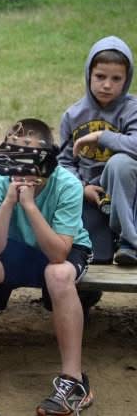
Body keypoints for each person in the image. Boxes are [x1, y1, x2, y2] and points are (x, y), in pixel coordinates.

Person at [0, 119, 94, 416]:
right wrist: (10, 201)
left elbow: (58, 253)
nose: (22, 168)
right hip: (16, 247)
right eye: (15, 157)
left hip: (62, 248)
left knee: (59, 274)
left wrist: (30, 206)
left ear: (46, 159)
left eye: (31, 158)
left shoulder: (67, 184)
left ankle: (74, 379)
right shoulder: (0, 182)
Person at [57, 36, 137, 265]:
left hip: (129, 192)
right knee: (96, 257)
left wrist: (102, 137)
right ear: (88, 75)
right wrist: (82, 188)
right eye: (100, 76)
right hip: (90, 195)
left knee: (119, 163)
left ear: (127, 79)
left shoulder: (132, 110)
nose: (107, 85)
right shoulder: (73, 115)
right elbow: (64, 162)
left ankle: (130, 241)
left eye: (116, 79)